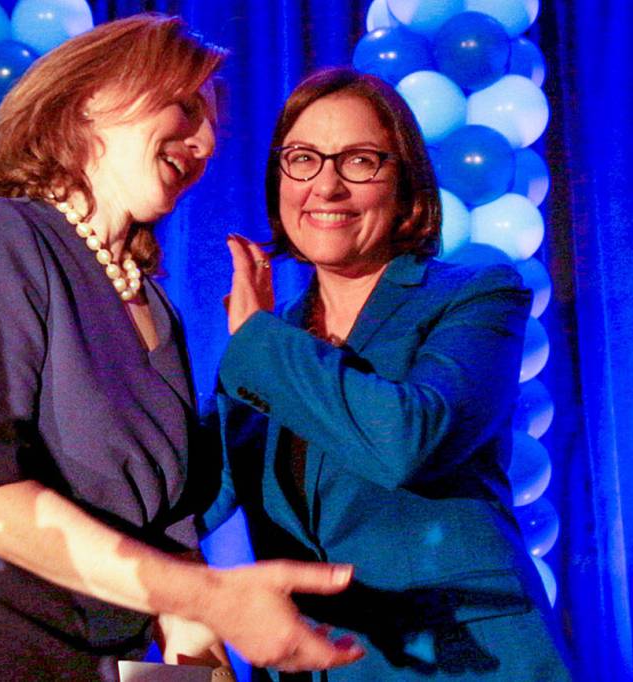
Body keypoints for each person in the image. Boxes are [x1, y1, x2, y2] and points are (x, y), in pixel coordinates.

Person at [0, 18, 366, 681]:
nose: (206, 142)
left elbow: (172, 551)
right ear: (90, 100)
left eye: (212, 126)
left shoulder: (155, 306)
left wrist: (209, 649)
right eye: (184, 108)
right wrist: (212, 596)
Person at [210, 67, 572, 680]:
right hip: (313, 664)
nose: (326, 187)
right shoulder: (269, 341)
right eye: (303, 159)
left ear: (405, 184)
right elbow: (192, 496)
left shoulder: (478, 295)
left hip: (463, 662)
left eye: (359, 162)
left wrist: (259, 341)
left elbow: (407, 441)